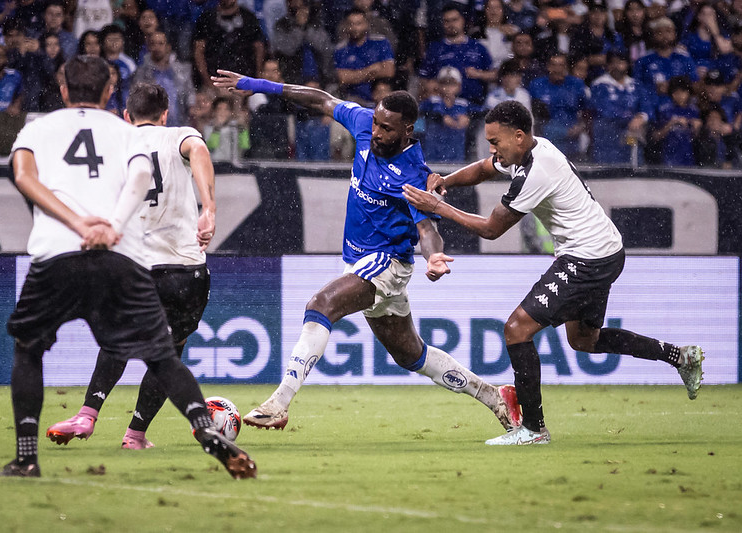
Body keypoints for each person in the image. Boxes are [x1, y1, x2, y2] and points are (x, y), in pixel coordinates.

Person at [211, 68, 522, 434]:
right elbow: (318, 98)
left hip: (387, 263)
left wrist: (434, 256)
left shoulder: (412, 173)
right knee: (410, 355)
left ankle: (278, 403)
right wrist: (255, 83)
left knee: (320, 305)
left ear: (408, 130)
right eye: (375, 123)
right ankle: (495, 396)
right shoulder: (363, 123)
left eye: (386, 129)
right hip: (359, 263)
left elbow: (426, 227)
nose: (376, 132)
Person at [0, 56, 254, 478]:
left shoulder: (38, 128)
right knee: (164, 355)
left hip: (59, 251)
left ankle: (30, 454)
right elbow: (143, 176)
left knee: (31, 349)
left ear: (63, 91)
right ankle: (202, 431)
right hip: (132, 256)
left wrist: (78, 222)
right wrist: (120, 225)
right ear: (106, 93)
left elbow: (23, 176)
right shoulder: (129, 135)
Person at [401, 100, 705, 446]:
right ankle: (680, 356)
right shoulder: (528, 150)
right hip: (605, 251)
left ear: (518, 136)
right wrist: (447, 182)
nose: (491, 149)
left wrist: (437, 206)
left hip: (588, 257)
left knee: (517, 329)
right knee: (584, 340)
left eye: (496, 141)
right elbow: (485, 168)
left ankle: (532, 428)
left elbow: (490, 229)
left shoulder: (535, 172)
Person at [45, 81, 217, 451]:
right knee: (169, 350)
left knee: (119, 338)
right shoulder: (179, 135)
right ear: (165, 114)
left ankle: (87, 415)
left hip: (135, 265)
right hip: (185, 268)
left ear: (127, 116)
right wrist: (209, 209)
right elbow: (199, 150)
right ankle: (135, 435)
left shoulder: (114, 145)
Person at [334, 7, 395, 106]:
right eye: (351, 24)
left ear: (366, 24)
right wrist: (372, 69)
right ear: (346, 25)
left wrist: (356, 75)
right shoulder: (341, 49)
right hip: (353, 101)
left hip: (381, 100)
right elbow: (343, 78)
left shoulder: (380, 42)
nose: (354, 28)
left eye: (358, 23)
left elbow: (389, 71)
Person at [133, 31, 195, 127]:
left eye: (161, 43)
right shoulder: (141, 73)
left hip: (179, 124)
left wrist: (192, 111)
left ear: (168, 47)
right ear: (149, 47)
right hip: (152, 126)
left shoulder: (181, 71)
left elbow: (190, 94)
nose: (157, 47)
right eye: (153, 44)